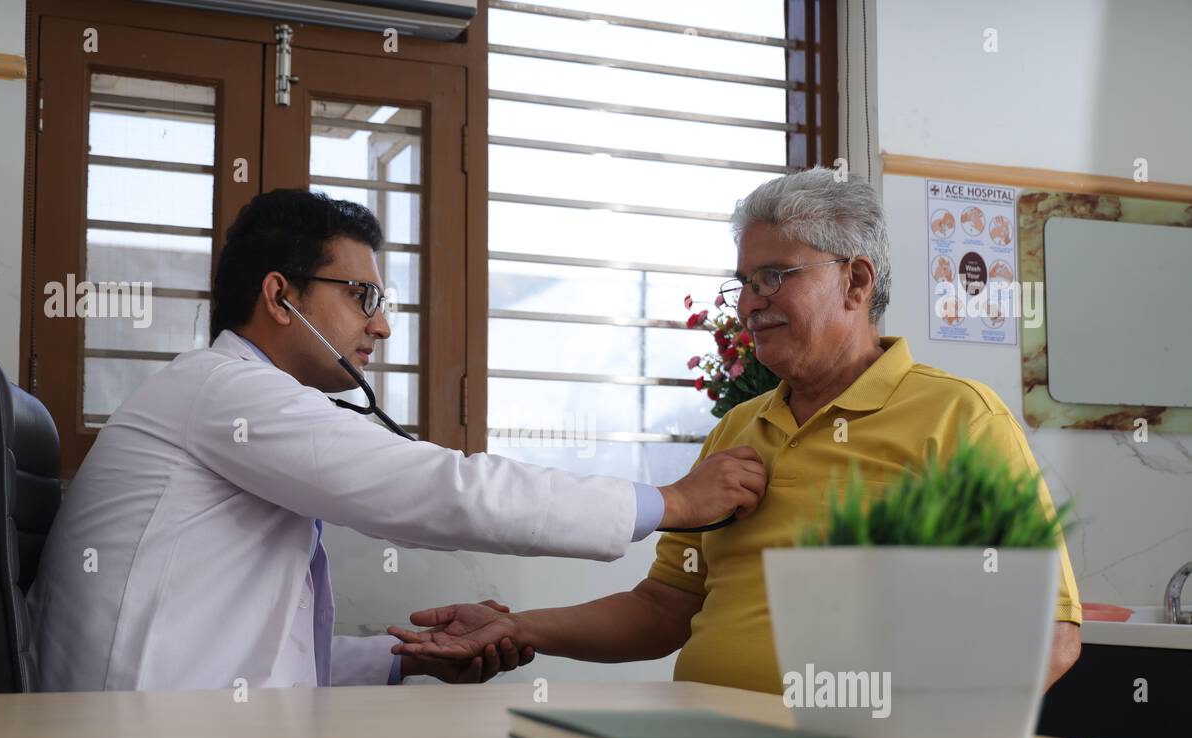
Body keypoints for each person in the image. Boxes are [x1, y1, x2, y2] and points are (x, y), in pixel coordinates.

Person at [27, 189, 765, 691]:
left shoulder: (230, 398)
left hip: (155, 733)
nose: (381, 324)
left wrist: (404, 660)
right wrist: (670, 500)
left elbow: (251, 655)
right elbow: (438, 490)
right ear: (281, 297)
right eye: (364, 297)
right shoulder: (225, 393)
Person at [389, 168, 1083, 694]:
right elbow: (664, 609)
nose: (752, 302)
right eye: (744, 282)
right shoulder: (736, 431)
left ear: (857, 280)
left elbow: (1048, 637)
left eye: (775, 276)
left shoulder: (958, 419)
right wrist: (520, 627)